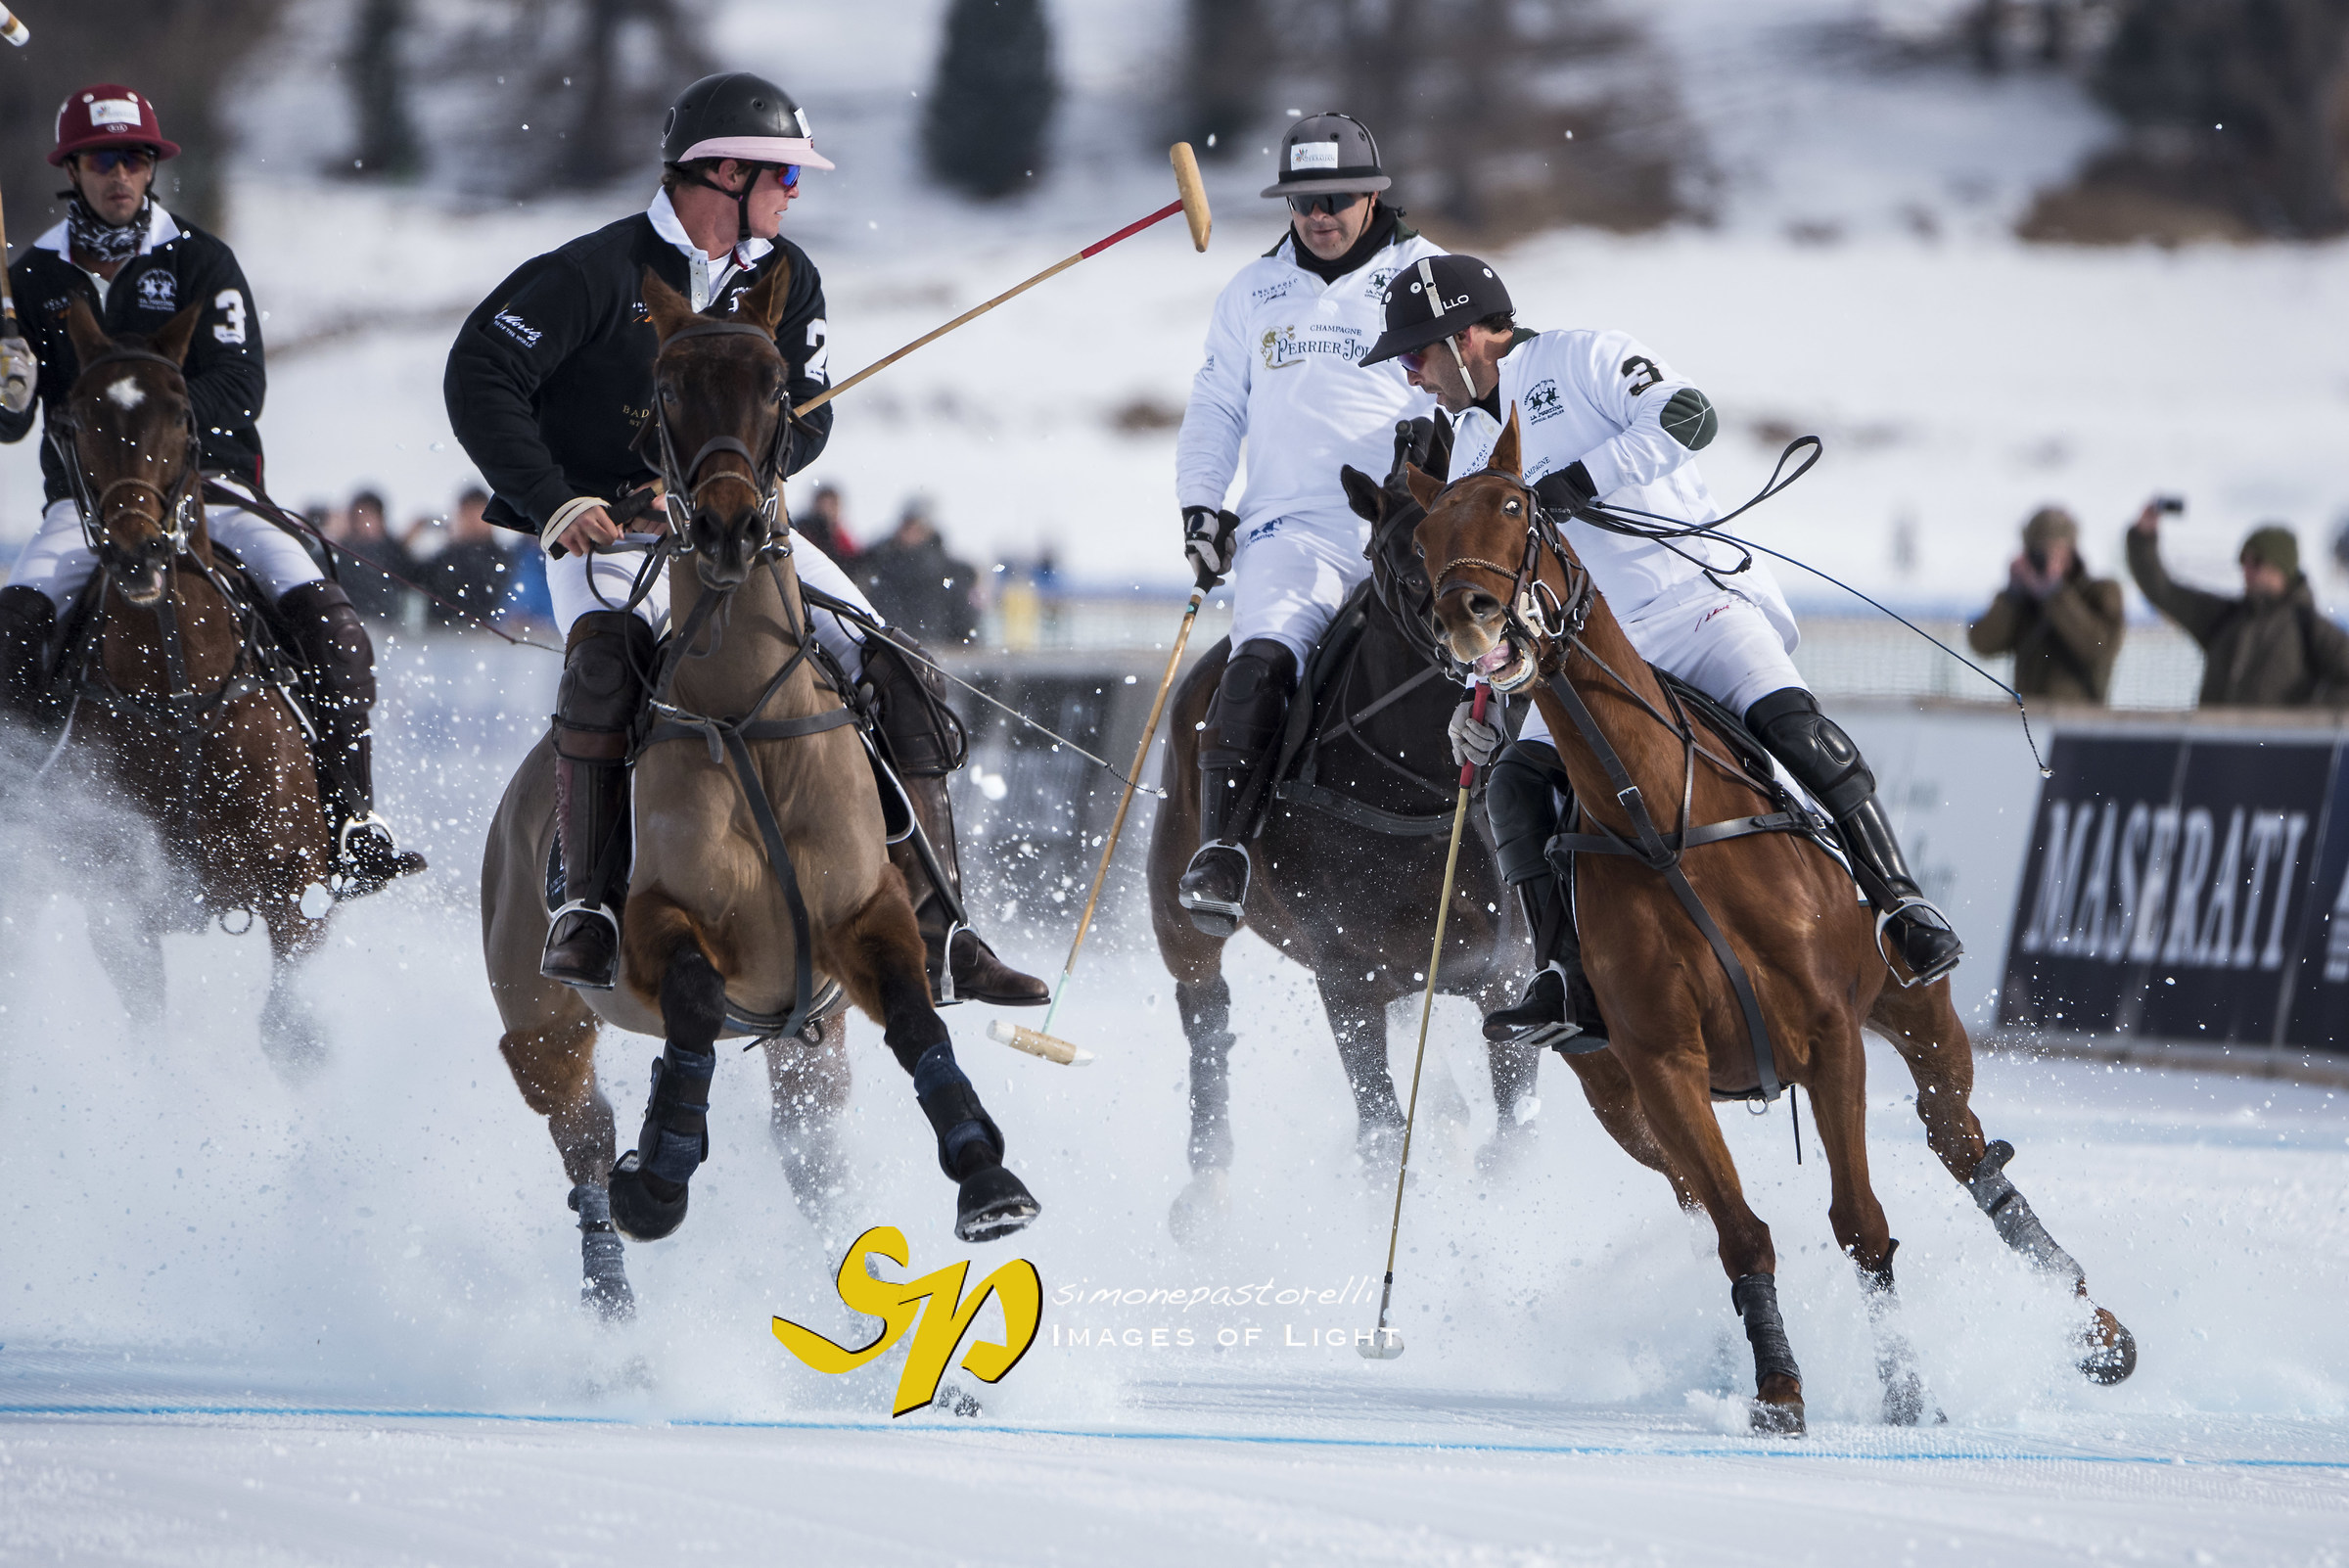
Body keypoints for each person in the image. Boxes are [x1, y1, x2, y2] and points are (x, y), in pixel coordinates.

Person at [443, 69, 1044, 1006]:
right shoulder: (593, 274)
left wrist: (736, 483)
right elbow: (481, 372)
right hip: (607, 543)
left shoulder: (787, 278)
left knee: (894, 666)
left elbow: (808, 423)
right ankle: (592, 912)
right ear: (723, 172)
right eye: (784, 178)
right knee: (606, 667)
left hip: (744, 536)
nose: (795, 196)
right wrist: (558, 500)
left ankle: (943, 925)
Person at [1359, 254, 1962, 1050]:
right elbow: (1493, 604)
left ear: (1466, 336)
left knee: (1794, 727)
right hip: (1589, 660)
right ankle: (1564, 972)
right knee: (1512, 786)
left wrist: (1585, 476)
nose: (1412, 378)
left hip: (1692, 606)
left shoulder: (1581, 357)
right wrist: (1483, 694)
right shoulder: (1470, 450)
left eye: (1415, 356)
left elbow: (1690, 416)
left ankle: (1899, 903)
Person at [0, 83, 422, 895]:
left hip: (214, 493)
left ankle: (352, 817)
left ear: (152, 166)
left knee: (327, 623)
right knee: (12, 630)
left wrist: (159, 423)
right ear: (74, 169)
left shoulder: (201, 261)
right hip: (82, 507)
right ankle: (19, 817)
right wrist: (11, 386)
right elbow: (15, 425)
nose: (120, 174)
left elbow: (240, 382)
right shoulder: (33, 279)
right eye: (103, 160)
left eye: (136, 158)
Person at [1170, 112, 1446, 930]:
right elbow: (1217, 405)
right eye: (1302, 201)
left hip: (1416, 529)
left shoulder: (1427, 276)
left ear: (1371, 196)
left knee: (1499, 658)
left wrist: (1444, 449)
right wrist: (1199, 505)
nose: (1318, 215)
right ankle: (1224, 852)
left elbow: (1481, 390)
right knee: (1261, 658)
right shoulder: (1253, 291)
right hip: (1293, 531)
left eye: (1335, 198)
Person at [2128, 505, 2349, 708]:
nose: (2247, 570)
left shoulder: (2308, 628)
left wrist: (2307, 721)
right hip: (2209, 748)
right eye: (2244, 561)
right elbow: (2163, 591)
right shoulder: (2225, 618)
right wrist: (2143, 538)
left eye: (2257, 562)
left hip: (2278, 750)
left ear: (2280, 567)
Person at [1966, 506, 2125, 703]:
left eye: (2057, 550)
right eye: (2040, 551)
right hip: (2027, 720)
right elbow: (1982, 644)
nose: (2049, 559)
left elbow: (2100, 648)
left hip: (2082, 721)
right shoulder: (2023, 598)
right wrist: (2011, 596)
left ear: (2071, 551)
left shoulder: (2100, 592)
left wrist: (2055, 593)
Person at [858, 497, 980, 647]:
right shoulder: (879, 566)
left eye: (915, 527)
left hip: (934, 653)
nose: (909, 533)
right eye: (907, 526)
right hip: (891, 652)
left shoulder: (949, 572)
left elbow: (964, 624)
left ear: (927, 530)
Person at [423, 486, 511, 626]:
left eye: (476, 513)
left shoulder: (507, 559)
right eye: (466, 514)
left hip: (491, 639)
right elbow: (409, 575)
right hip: (442, 637)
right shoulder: (444, 557)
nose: (471, 521)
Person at [334, 489, 418, 622]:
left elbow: (417, 576)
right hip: (350, 622)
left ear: (381, 519)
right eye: (359, 517)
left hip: (388, 626)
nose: (364, 523)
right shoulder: (339, 553)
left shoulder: (394, 552)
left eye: (370, 516)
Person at [792, 482, 857, 561]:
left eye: (832, 505)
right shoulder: (802, 531)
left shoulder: (840, 536)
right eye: (824, 505)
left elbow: (852, 557)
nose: (828, 511)